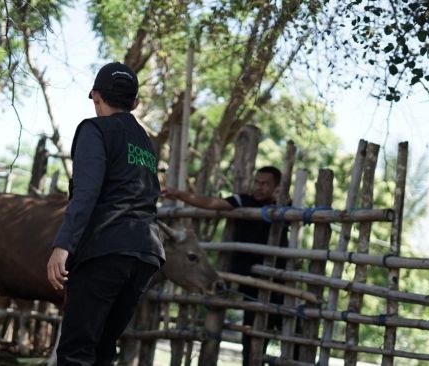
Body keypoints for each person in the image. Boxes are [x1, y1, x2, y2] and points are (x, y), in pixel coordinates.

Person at [47, 62, 165, 366]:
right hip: (145, 254)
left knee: (75, 351)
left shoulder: (94, 129)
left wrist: (63, 245)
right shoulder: (145, 144)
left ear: (95, 96)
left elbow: (86, 193)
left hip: (105, 249)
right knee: (102, 350)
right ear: (135, 103)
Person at [162, 166, 288, 366]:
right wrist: (179, 194)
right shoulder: (242, 201)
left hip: (277, 279)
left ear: (277, 188)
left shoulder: (284, 207)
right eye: (257, 182)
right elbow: (212, 203)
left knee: (288, 330)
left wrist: (283, 202)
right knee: (253, 334)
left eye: (266, 184)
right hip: (250, 279)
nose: (259, 187)